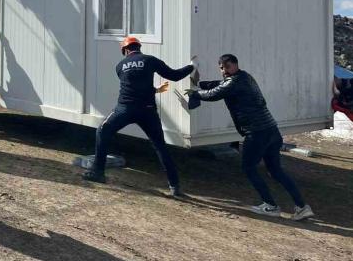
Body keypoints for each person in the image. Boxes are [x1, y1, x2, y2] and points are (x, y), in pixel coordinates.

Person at [186, 54, 314, 220]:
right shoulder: (245, 77)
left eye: (227, 67)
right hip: (272, 131)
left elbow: (213, 94)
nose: (224, 71)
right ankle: (302, 207)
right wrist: (201, 84)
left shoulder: (234, 82)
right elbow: (220, 85)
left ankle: (270, 205)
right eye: (222, 68)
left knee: (249, 168)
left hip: (256, 133)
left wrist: (195, 93)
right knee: (276, 171)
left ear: (236, 65)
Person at [83, 36, 193, 197]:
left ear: (125, 50)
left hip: (125, 109)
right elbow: (174, 75)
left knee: (102, 131)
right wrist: (191, 66)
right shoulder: (150, 60)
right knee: (160, 146)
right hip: (148, 110)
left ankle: (97, 172)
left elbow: (132, 86)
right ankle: (174, 186)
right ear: (139, 48)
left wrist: (154, 90)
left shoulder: (120, 66)